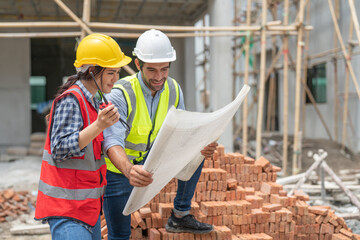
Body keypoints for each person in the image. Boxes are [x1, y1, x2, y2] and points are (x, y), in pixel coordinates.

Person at [103, 29, 218, 240]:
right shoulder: (121, 93)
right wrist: (129, 170)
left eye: (164, 69)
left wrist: (200, 146)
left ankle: (180, 215)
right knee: (119, 234)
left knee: (195, 152)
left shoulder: (173, 89)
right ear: (138, 65)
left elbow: (182, 132)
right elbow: (111, 141)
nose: (159, 77)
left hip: (151, 159)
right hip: (119, 169)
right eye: (152, 70)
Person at [35, 33, 132, 239]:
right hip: (67, 210)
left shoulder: (93, 102)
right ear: (92, 71)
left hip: (87, 211)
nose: (117, 79)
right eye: (111, 73)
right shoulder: (71, 100)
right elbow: (60, 148)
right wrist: (99, 125)